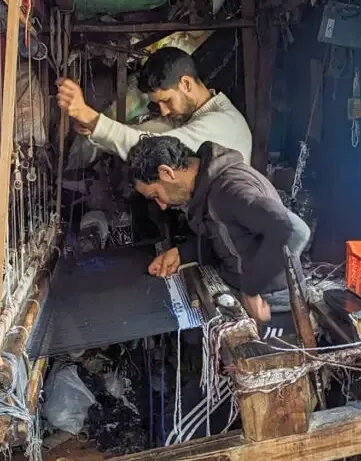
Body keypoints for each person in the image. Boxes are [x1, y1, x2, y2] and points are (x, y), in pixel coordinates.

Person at [127, 134, 310, 322]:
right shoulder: (208, 188)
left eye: (156, 194)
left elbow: (293, 230)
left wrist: (253, 288)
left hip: (273, 306)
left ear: (167, 173)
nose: (162, 205)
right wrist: (184, 253)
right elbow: (230, 237)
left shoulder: (231, 189)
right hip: (244, 292)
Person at [56, 46, 253, 162]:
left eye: (166, 100)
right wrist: (93, 128)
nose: (164, 111)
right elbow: (143, 133)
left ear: (186, 83)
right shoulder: (194, 117)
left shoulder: (220, 123)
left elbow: (150, 146)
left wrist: (88, 115)